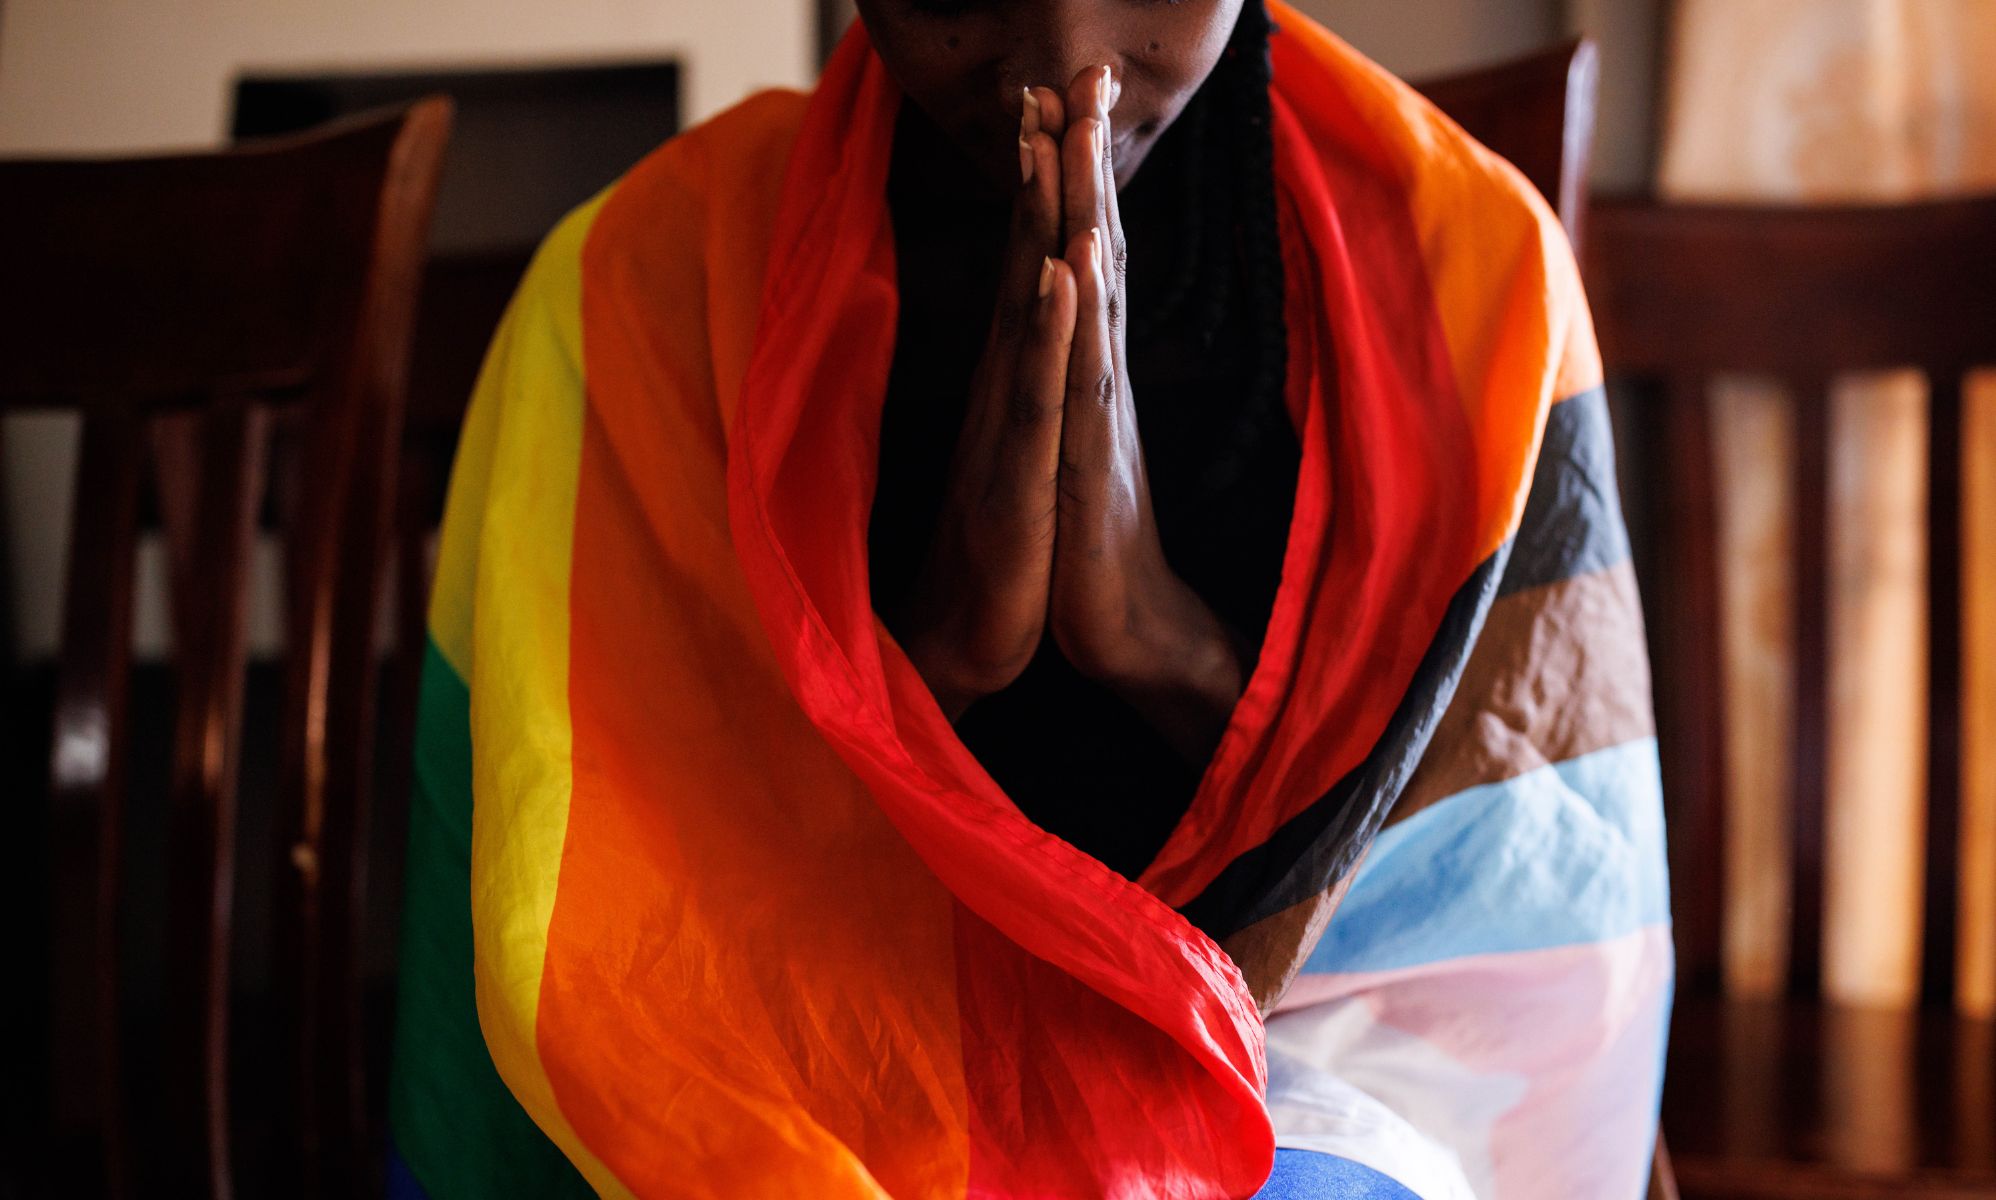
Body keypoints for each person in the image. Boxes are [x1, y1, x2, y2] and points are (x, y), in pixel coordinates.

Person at [388, 2, 1671, 1197]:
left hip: (1319, 1084)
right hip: (813, 1067)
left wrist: (1158, 643)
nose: (1065, 64)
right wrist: (933, 663)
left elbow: (1499, 936)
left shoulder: (1471, 274)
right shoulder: (636, 287)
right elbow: (624, 932)